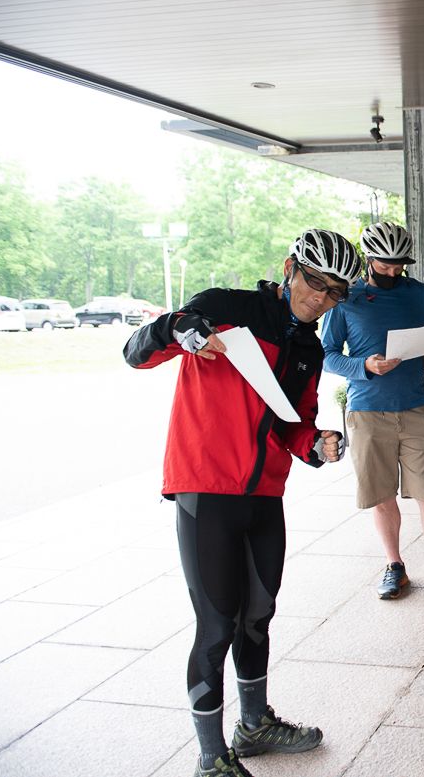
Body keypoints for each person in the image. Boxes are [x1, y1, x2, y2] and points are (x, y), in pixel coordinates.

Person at [124, 229, 363, 777]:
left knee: (258, 615)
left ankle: (253, 726)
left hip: (264, 496)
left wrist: (315, 443)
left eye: (333, 293)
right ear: (288, 269)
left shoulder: (309, 344)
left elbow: (291, 421)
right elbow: (135, 354)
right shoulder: (222, 308)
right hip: (205, 488)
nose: (319, 299)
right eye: (313, 283)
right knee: (216, 626)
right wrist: (175, 327)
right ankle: (210, 758)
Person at [321, 221, 424, 611]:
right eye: (385, 264)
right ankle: (394, 566)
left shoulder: (418, 294)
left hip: (415, 409)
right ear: (369, 259)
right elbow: (326, 353)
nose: (392, 272)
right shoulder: (347, 300)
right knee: (382, 495)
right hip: (366, 412)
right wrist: (364, 366)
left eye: (399, 265)